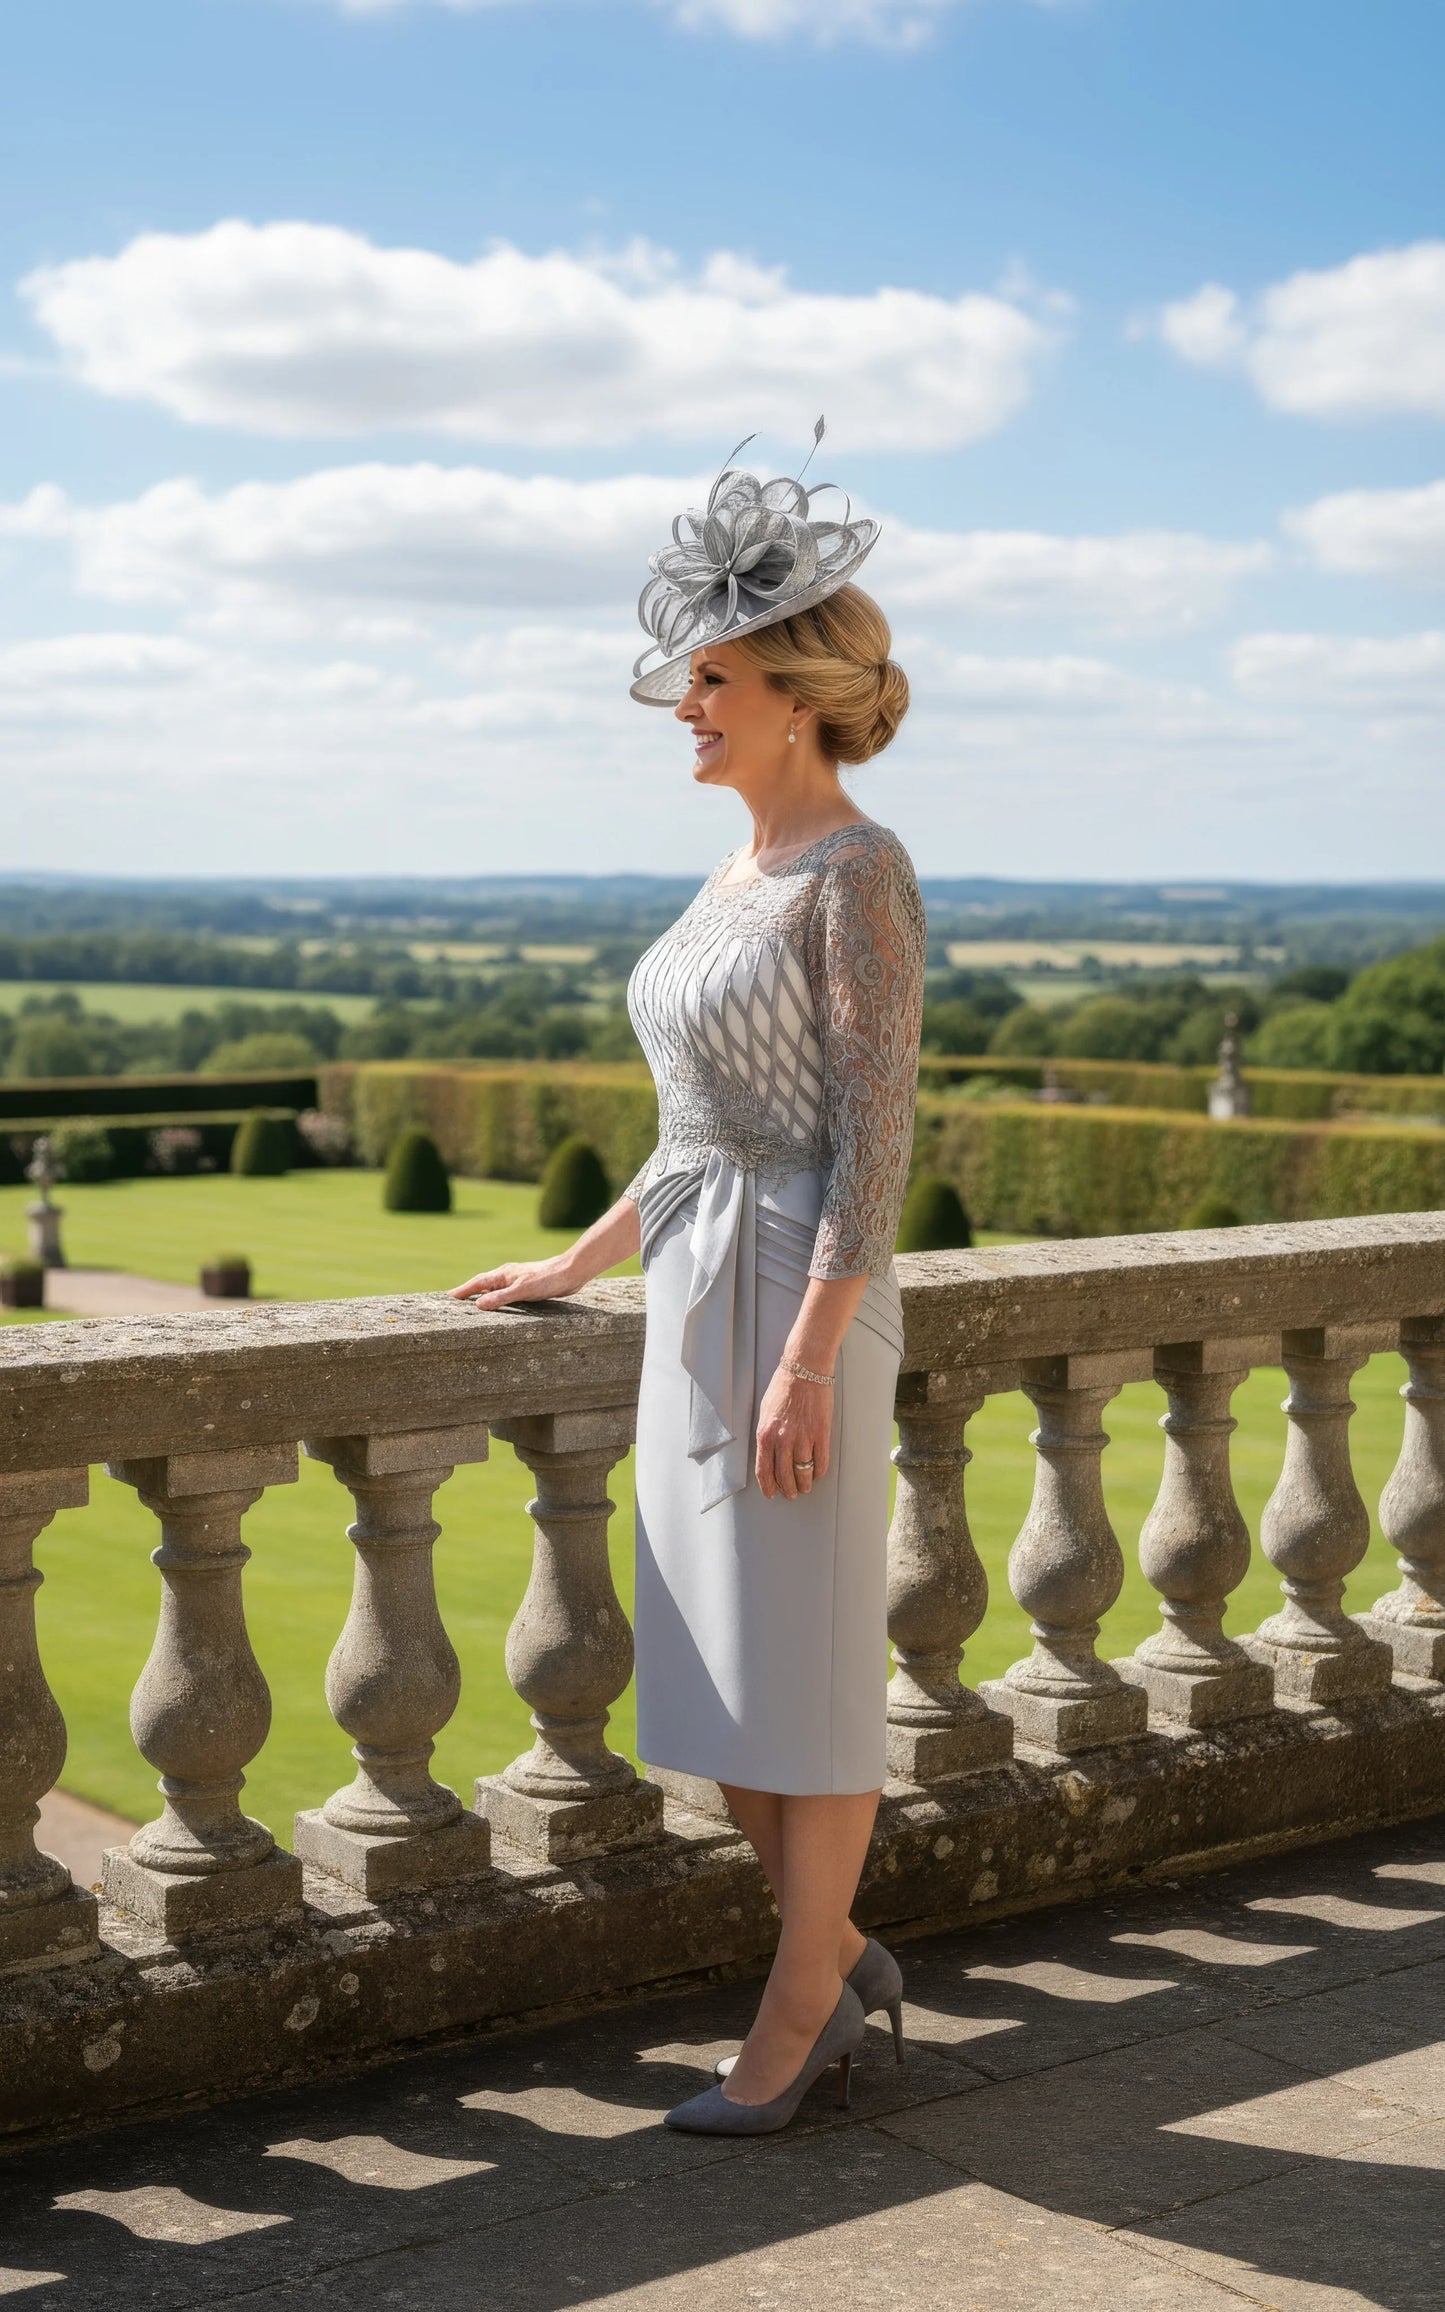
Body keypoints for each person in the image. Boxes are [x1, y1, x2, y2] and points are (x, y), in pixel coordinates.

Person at [452, 426, 925, 2135]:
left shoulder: (856, 871)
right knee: (716, 1676)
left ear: (793, 695)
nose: (685, 710)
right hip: (693, 1291)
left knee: (798, 1669)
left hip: (800, 1301)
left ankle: (796, 2016)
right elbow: (693, 1130)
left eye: (710, 681)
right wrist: (576, 1260)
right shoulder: (730, 872)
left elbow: (870, 1146)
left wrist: (805, 1364)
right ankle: (842, 1947)